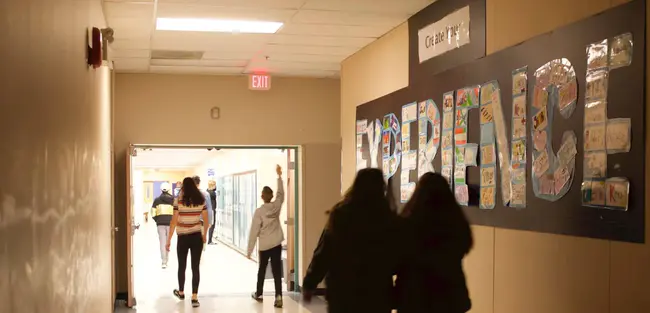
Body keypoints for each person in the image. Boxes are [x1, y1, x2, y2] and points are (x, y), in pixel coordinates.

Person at [301, 168, 400, 313]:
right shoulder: (388, 218)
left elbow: (324, 252)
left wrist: (309, 283)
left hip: (343, 292)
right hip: (376, 294)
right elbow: (397, 257)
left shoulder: (340, 215)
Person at [395, 172, 473, 313]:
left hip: (414, 297)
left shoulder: (408, 225)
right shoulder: (455, 224)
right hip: (449, 297)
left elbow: (397, 260)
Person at [166, 177, 209, 308]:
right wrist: (204, 235)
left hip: (183, 237)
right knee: (195, 267)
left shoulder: (178, 200)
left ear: (183, 186)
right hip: (196, 236)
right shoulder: (201, 199)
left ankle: (181, 292)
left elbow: (173, 221)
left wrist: (168, 239)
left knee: (182, 266)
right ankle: (195, 297)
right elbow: (206, 220)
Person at [247, 165, 285, 308]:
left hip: (264, 246)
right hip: (276, 243)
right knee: (276, 271)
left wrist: (249, 250)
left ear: (262, 196)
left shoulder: (259, 212)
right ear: (271, 196)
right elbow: (281, 194)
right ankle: (279, 296)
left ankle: (259, 293)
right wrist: (279, 176)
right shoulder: (276, 206)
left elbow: (254, 231)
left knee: (262, 269)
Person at [144, 182, 174, 269]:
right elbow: (176, 212)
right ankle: (167, 259)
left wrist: (157, 220)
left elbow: (153, 212)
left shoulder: (157, 200)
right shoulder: (173, 200)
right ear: (169, 189)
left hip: (160, 224)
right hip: (170, 224)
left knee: (162, 243)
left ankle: (164, 262)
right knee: (168, 242)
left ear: (161, 189)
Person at [192, 175, 213, 250]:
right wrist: (210, 221)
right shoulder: (205, 194)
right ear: (199, 183)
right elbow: (209, 208)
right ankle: (201, 250)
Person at [206, 180, 218, 245]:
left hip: (208, 210)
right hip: (212, 210)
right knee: (212, 225)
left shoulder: (207, 191)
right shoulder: (213, 193)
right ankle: (210, 241)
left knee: (209, 224)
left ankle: (209, 240)